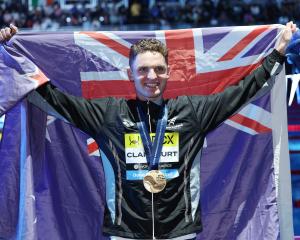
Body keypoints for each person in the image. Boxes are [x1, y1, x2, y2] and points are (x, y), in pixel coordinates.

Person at [0, 22, 297, 240]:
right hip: (125, 234)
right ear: (131, 74)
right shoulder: (110, 115)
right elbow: (55, 99)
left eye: (158, 69)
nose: (151, 76)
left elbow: (242, 92)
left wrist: (278, 51)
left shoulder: (191, 112)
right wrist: (14, 54)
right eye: (143, 70)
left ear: (169, 72)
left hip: (180, 233)